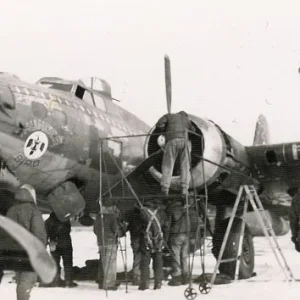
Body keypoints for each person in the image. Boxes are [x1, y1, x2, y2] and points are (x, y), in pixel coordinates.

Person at [6, 184, 47, 300]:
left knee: (20, 280)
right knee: (27, 281)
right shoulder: (33, 210)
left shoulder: (11, 210)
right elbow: (39, 233)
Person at [156, 111, 195, 196]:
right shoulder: (187, 120)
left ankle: (165, 188)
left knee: (168, 164)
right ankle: (184, 189)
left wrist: (165, 131)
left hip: (172, 140)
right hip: (186, 142)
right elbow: (193, 131)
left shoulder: (168, 115)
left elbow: (159, 125)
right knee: (185, 166)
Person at [93, 204, 127, 291]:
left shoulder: (98, 216)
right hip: (111, 242)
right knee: (111, 264)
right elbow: (117, 231)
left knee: (104, 263)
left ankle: (103, 281)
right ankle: (109, 284)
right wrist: (124, 230)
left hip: (101, 242)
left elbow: (95, 230)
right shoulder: (112, 217)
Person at [138, 200, 169, 290]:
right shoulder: (161, 213)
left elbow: (137, 227)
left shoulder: (142, 212)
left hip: (145, 240)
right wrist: (164, 240)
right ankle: (158, 283)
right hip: (159, 240)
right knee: (158, 262)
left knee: (144, 263)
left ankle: (144, 284)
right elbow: (166, 227)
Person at [44, 212, 77, 288]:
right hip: (66, 243)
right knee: (68, 263)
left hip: (53, 243)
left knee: (55, 263)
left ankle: (56, 280)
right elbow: (68, 230)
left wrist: (46, 243)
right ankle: (68, 281)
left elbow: (46, 233)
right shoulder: (65, 219)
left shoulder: (48, 221)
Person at [166, 200, 190, 286]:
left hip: (176, 235)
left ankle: (177, 277)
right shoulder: (185, 210)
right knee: (184, 256)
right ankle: (186, 276)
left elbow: (167, 225)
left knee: (175, 255)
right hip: (186, 235)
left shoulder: (171, 210)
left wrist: (166, 237)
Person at [127, 206, 143, 285]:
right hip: (141, 239)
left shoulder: (132, 218)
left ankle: (136, 276)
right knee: (139, 258)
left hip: (134, 239)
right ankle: (137, 277)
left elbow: (127, 229)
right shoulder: (143, 218)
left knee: (136, 257)